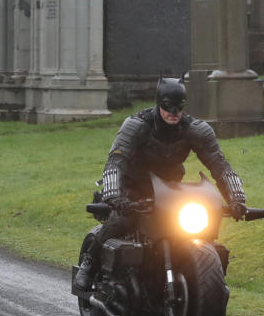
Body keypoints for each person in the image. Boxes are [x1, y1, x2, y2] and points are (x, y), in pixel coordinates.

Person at [74, 76, 249, 291]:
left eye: (179, 107)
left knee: (196, 231)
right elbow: (115, 161)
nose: (173, 113)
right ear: (159, 104)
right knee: (120, 221)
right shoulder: (137, 125)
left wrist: (236, 198)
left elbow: (219, 165)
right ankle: (89, 265)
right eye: (168, 107)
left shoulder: (195, 129)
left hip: (170, 191)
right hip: (132, 188)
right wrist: (113, 196)